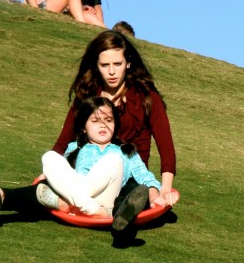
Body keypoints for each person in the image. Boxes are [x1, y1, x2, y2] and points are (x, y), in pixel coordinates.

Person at [0, 30, 179, 222]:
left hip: (128, 172)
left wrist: (164, 190)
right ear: (96, 66)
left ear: (128, 63)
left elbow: (166, 147)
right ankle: (2, 197)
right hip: (86, 172)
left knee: (133, 193)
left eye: (117, 64)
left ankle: (114, 213)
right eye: (105, 66)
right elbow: (64, 140)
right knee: (51, 170)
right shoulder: (88, 93)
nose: (112, 72)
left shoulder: (146, 98)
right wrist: (49, 173)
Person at [37, 97, 157, 230]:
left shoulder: (125, 152)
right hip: (86, 202)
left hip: (104, 201)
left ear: (115, 125)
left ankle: (78, 206)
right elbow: (65, 175)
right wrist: (49, 174)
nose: (103, 125)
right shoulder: (75, 148)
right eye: (95, 121)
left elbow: (145, 176)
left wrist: (155, 195)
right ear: (83, 127)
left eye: (108, 120)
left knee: (113, 159)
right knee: (49, 157)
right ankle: (90, 209)